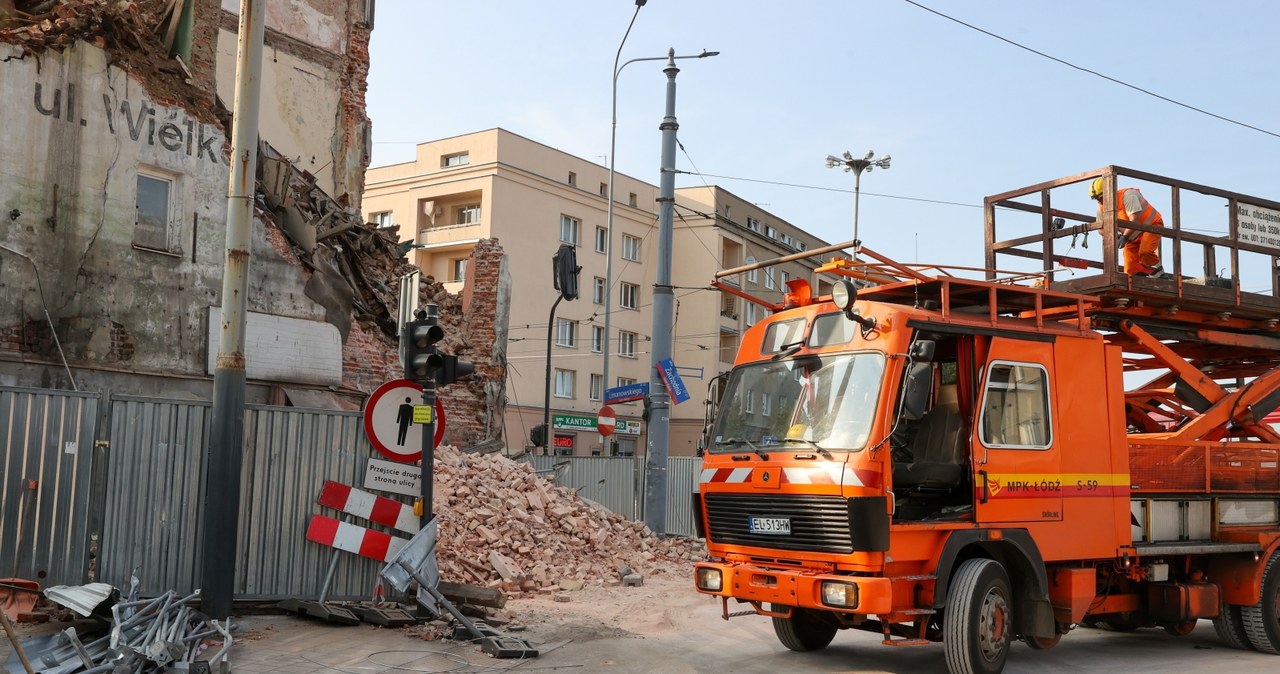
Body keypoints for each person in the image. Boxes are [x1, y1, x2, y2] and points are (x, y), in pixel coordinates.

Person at [1090, 178, 1164, 276]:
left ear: (1110, 192)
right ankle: (1138, 283)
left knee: (1145, 251)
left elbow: (1134, 220)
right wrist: (1115, 236)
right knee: (1130, 270)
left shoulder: (1128, 195)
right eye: (1097, 199)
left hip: (1151, 226)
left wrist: (1124, 237)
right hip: (1132, 236)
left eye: (1101, 197)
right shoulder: (1101, 208)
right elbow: (1101, 229)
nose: (1100, 201)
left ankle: (1159, 275)